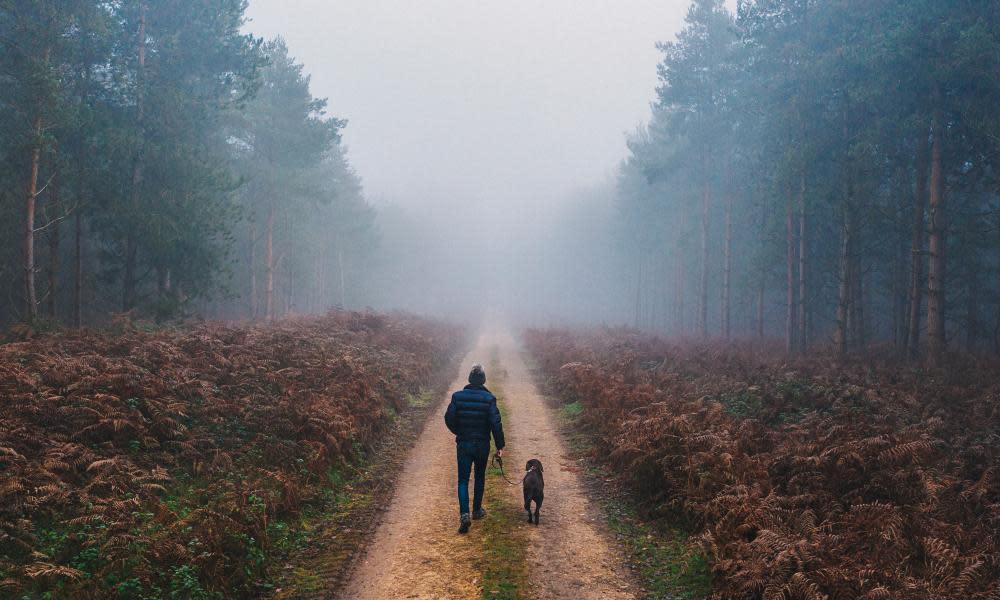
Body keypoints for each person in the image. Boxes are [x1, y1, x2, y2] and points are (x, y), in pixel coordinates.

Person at [444, 363, 505, 534]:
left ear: (470, 379)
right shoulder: (489, 399)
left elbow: (449, 418)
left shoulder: (457, 397)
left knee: (463, 480)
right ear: (483, 380)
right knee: (479, 477)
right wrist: (500, 445)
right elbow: (495, 423)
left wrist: (459, 431)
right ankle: (477, 510)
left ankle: (464, 514)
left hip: (464, 443)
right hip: (482, 444)